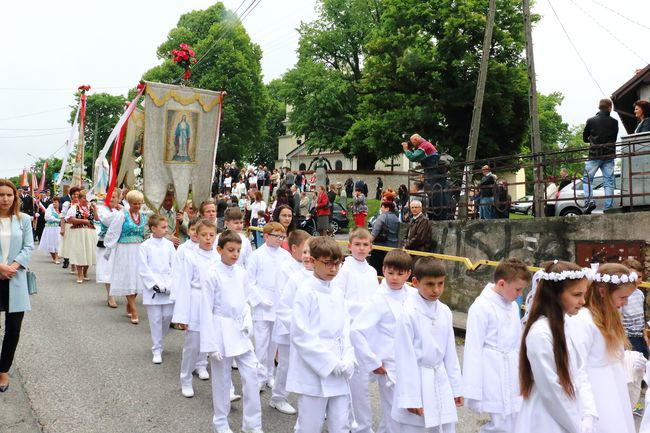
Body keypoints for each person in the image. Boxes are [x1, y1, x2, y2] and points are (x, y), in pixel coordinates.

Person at [515, 260, 597, 433]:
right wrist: (577, 426)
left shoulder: (566, 323)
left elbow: (580, 370)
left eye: (584, 294)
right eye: (576, 295)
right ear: (555, 294)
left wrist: (588, 413)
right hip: (547, 420)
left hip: (571, 413)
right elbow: (551, 391)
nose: (583, 301)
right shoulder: (540, 334)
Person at [286, 236, 356, 433]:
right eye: (327, 264)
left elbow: (345, 329)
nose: (333, 269)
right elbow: (301, 335)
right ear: (313, 261)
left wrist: (349, 358)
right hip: (314, 369)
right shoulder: (305, 292)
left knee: (340, 424)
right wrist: (330, 363)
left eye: (337, 264)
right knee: (310, 425)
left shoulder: (337, 292)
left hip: (339, 367)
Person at [199, 230, 263, 433]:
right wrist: (209, 343)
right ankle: (220, 421)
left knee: (252, 374)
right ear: (219, 250)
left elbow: (245, 301)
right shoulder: (211, 273)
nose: (235, 254)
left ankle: (252, 424)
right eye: (230, 250)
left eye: (238, 250)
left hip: (239, 330)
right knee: (222, 379)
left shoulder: (241, 273)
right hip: (220, 328)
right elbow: (206, 309)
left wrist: (247, 321)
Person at [392, 257, 463, 432]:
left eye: (440, 283)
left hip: (440, 379)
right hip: (418, 379)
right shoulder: (408, 313)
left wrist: (456, 387)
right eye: (430, 284)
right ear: (415, 282)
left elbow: (450, 353)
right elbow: (404, 358)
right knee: (415, 426)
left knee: (443, 426)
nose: (436, 290)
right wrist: (411, 398)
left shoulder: (445, 311)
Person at [463, 258, 532, 433]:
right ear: (501, 283)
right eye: (517, 289)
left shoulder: (513, 306)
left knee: (516, 419)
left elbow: (517, 341)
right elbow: (473, 349)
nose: (519, 294)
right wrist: (473, 389)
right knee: (500, 424)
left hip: (512, 371)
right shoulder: (481, 307)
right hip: (492, 371)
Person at [569, 262, 639, 433]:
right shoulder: (583, 320)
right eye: (622, 297)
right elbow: (577, 365)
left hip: (614, 384)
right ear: (602, 292)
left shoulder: (611, 315)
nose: (626, 303)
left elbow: (612, 352)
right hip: (595, 389)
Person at [351, 248, 414, 433]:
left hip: (410, 362)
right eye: (390, 273)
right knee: (395, 411)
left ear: (408, 274)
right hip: (389, 364)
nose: (394, 278)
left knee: (402, 411)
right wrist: (372, 361)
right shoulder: (378, 299)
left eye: (400, 274)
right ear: (383, 270)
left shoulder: (413, 295)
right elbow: (356, 331)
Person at [332, 227, 380, 433]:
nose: (361, 249)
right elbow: (338, 300)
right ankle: (360, 424)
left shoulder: (371, 271)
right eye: (357, 245)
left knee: (362, 380)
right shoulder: (345, 270)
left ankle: (354, 420)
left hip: (368, 330)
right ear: (349, 246)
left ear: (371, 247)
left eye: (365, 245)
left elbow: (375, 299)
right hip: (351, 329)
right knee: (355, 381)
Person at [172, 218, 219, 398]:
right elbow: (184, 286)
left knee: (216, 344)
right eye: (204, 235)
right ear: (196, 236)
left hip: (214, 304)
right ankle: (185, 378)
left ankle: (222, 384)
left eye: (211, 235)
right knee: (192, 344)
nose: (208, 238)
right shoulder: (191, 257)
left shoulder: (218, 256)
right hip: (196, 301)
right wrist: (183, 316)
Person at [270, 229, 311, 416]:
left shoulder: (308, 269)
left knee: (306, 364)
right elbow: (282, 299)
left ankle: (312, 401)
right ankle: (278, 397)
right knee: (286, 363)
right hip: (288, 324)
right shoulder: (286, 268)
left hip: (306, 326)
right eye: (304, 252)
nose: (307, 256)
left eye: (310, 252)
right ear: (294, 249)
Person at [247, 222, 292, 390]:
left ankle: (269, 374)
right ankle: (259, 375)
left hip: (278, 304)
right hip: (262, 305)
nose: (280, 239)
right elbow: (250, 281)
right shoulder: (257, 255)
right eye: (277, 236)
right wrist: (259, 299)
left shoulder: (285, 256)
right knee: (261, 343)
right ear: (266, 236)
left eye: (282, 236)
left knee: (274, 343)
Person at [0, 179, 33, 393]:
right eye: (1, 195)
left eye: (9, 195)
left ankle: (3, 370)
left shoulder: (24, 220)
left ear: (15, 197)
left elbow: (29, 246)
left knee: (13, 329)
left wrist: (12, 266)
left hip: (15, 278)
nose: (5, 199)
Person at [104, 190, 146, 325]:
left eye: (139, 204)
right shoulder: (122, 215)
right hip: (125, 249)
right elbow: (113, 231)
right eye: (135, 204)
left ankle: (130, 301)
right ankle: (133, 309)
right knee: (128, 277)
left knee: (138, 277)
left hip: (139, 249)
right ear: (129, 202)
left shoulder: (143, 216)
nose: (137, 206)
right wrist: (109, 248)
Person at [138, 214, 176, 365]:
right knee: (155, 319)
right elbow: (143, 268)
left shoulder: (169, 245)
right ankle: (156, 348)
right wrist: (154, 284)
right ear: (153, 229)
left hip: (168, 285)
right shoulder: (145, 246)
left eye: (167, 227)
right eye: (163, 227)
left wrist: (170, 283)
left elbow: (174, 265)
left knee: (167, 316)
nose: (166, 230)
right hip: (154, 288)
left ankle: (159, 340)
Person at [620, 258, 647, 417]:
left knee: (640, 370)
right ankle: (629, 402)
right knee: (629, 372)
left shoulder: (639, 294)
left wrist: (645, 336)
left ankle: (636, 401)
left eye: (640, 276)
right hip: (626, 339)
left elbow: (641, 315)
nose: (639, 280)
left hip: (639, 337)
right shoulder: (622, 295)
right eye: (635, 276)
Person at [582, 98, 619, 213]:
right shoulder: (614, 122)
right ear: (610, 108)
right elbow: (614, 138)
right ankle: (608, 207)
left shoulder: (591, 120)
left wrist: (592, 139)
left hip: (594, 154)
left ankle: (589, 201)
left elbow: (584, 138)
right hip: (609, 155)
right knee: (609, 181)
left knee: (587, 179)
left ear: (599, 107)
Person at [65, 189, 98, 284]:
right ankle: (79, 274)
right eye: (84, 198)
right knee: (79, 252)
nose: (86, 200)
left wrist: (95, 209)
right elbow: (70, 219)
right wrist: (84, 221)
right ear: (79, 199)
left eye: (87, 198)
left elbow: (96, 218)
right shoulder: (74, 208)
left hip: (90, 232)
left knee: (88, 252)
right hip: (78, 232)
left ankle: (85, 272)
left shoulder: (91, 208)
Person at [96, 190, 121, 308]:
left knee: (117, 269)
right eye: (110, 197)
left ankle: (115, 292)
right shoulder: (102, 209)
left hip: (119, 243)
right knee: (108, 269)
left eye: (114, 197)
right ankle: (110, 295)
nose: (111, 199)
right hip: (106, 242)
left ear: (119, 199)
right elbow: (107, 220)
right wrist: (122, 212)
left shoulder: (119, 210)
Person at [369, 201, 400, 276]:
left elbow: (374, 232)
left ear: (387, 208)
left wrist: (367, 243)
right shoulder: (396, 218)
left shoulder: (382, 217)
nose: (381, 209)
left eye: (382, 207)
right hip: (392, 248)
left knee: (376, 270)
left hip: (380, 248)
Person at [59, 185, 80, 270]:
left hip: (78, 227)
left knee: (77, 246)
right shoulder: (67, 204)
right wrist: (62, 228)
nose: (76, 196)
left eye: (78, 194)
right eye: (74, 194)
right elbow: (62, 217)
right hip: (68, 226)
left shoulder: (81, 204)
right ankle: (71, 264)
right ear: (71, 195)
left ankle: (76, 263)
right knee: (69, 245)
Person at [38, 196, 61, 264]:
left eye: (56, 202)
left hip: (57, 228)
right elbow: (47, 217)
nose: (54, 203)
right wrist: (57, 219)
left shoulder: (59, 209)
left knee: (57, 242)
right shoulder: (50, 208)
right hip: (50, 228)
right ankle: (54, 257)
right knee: (51, 243)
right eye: (54, 202)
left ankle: (56, 257)